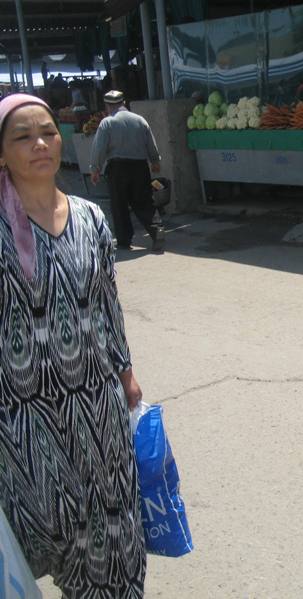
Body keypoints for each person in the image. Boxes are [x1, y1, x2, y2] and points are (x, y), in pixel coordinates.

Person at [0, 93, 146, 596]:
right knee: (48, 539)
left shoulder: (90, 217)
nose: (40, 144)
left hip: (99, 406)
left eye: (48, 132)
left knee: (116, 537)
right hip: (23, 419)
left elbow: (108, 303)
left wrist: (125, 371)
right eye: (22, 137)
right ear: (2, 154)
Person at [89, 90, 164, 251]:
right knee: (144, 201)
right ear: (124, 103)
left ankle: (124, 241)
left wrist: (95, 169)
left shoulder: (107, 122)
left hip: (118, 169)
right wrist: (155, 161)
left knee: (119, 204)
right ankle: (157, 229)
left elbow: (99, 148)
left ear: (108, 106)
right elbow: (151, 142)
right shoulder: (140, 120)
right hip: (140, 167)